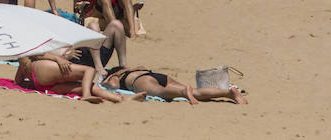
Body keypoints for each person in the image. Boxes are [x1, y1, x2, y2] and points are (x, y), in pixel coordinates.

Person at [14, 50, 137, 102]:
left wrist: (28, 82)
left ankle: (121, 99)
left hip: (40, 83)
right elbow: (37, 53)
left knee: (90, 85)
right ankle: (86, 96)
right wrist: (58, 59)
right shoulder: (29, 38)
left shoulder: (20, 47)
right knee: (89, 70)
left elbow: (18, 79)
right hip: (41, 70)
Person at [101, 65, 246, 104]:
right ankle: (229, 93)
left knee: (163, 93)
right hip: (157, 75)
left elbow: (113, 86)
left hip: (140, 82)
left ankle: (184, 93)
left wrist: (106, 82)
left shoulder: (116, 75)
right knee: (195, 91)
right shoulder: (134, 67)